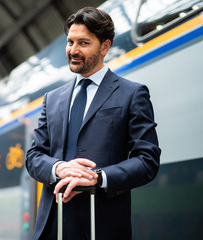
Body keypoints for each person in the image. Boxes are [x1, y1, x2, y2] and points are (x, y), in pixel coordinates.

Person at [26, 6, 161, 240]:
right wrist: (58, 168)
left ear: (105, 46)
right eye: (70, 42)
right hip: (52, 226)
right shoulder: (52, 99)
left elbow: (147, 160)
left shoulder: (132, 94)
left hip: (103, 226)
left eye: (84, 43)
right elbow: (34, 155)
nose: (73, 50)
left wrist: (98, 177)